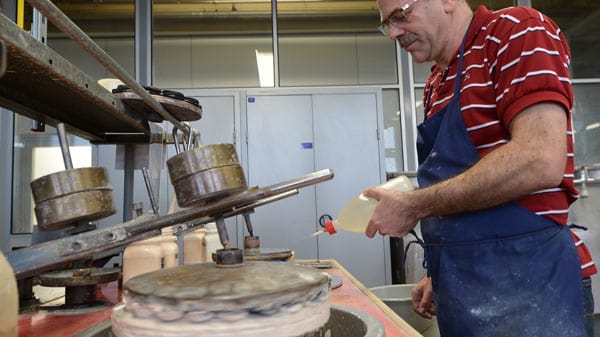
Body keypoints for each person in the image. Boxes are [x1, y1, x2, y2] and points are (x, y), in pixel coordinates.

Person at [364, 0, 588, 335]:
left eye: (401, 15)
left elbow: (540, 158)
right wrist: (441, 270)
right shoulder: (436, 82)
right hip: (464, 286)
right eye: (387, 24)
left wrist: (414, 205)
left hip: (531, 284)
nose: (393, 33)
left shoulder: (516, 30)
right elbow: (458, 186)